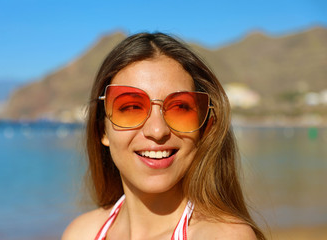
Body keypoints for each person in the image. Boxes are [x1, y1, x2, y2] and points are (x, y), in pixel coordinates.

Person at [62, 32, 266, 240]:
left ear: (204, 128)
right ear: (102, 130)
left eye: (180, 108)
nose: (157, 131)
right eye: (132, 107)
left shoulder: (223, 236)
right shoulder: (81, 233)